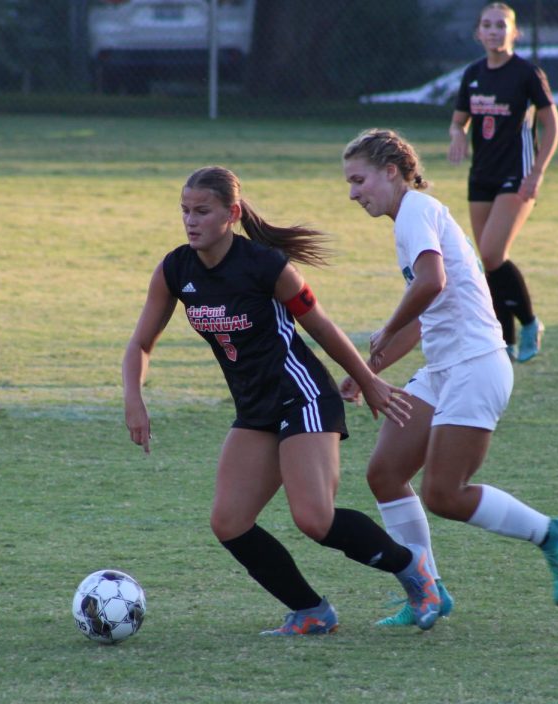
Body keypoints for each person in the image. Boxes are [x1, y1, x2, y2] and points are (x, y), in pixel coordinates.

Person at [123, 165, 443, 635]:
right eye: (185, 211)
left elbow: (322, 328)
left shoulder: (266, 266)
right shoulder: (176, 270)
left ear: (231, 214)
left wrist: (367, 379)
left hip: (304, 396)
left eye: (202, 211)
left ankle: (414, 570)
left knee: (314, 518)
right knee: (229, 522)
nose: (191, 221)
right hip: (255, 410)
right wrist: (134, 397)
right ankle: (311, 611)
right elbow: (140, 344)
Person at [340, 128, 558, 627]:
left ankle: (552, 534)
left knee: (445, 494)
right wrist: (368, 373)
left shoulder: (418, 212)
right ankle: (427, 592)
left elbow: (432, 283)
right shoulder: (409, 219)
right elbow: (424, 315)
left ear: (392, 171)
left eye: (359, 179)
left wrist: (384, 328)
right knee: (384, 473)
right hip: (443, 370)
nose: (353, 193)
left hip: (476, 366)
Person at [449, 2, 558, 362]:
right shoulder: (473, 74)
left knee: (492, 253)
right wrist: (457, 134)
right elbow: (459, 121)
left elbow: (553, 125)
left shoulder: (526, 73)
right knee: (488, 260)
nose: (494, 31)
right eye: (487, 25)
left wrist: (538, 171)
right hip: (481, 175)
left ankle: (529, 323)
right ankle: (505, 340)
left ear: (514, 33)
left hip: (518, 175)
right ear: (478, 33)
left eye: (501, 25)